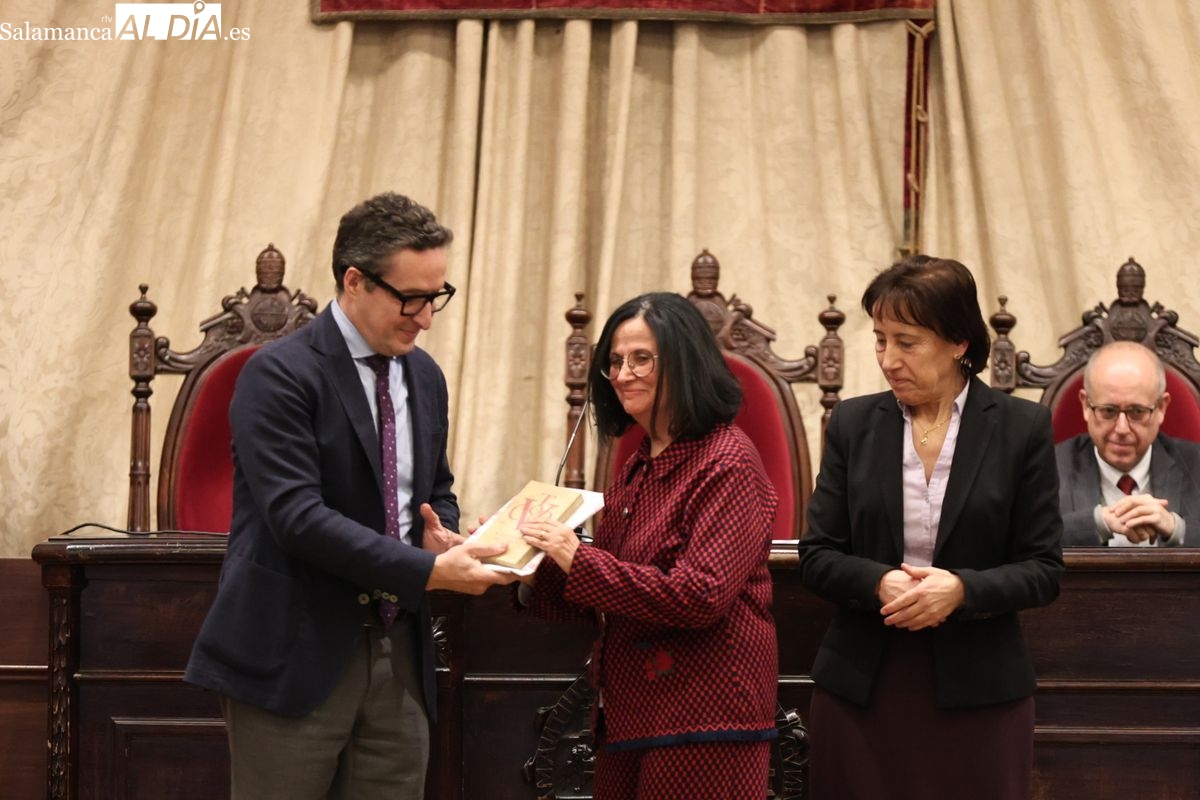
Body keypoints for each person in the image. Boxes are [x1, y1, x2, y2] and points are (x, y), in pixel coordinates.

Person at [185, 191, 514, 799]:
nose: (426, 318)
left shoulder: (425, 376)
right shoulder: (279, 373)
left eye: (436, 296)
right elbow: (297, 518)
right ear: (355, 281)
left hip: (400, 657)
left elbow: (433, 488)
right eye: (410, 298)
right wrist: (427, 571)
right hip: (294, 652)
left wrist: (438, 532)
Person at [797, 255, 1064, 800]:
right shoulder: (852, 423)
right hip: (862, 684)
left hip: (981, 690)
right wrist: (878, 582)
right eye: (880, 340)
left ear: (959, 342)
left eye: (907, 342)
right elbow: (818, 554)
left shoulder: (1021, 428)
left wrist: (962, 590)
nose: (888, 359)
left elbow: (1043, 569)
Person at [517, 292, 779, 799]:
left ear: (684, 364)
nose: (622, 374)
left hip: (707, 717)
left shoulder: (727, 460)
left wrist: (576, 557)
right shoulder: (638, 465)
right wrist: (525, 563)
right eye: (615, 361)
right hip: (630, 711)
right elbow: (608, 592)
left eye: (641, 358)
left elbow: (700, 595)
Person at [1057, 340, 1200, 546]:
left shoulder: (1196, 464)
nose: (1122, 429)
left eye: (1137, 412)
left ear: (1161, 408)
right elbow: (1022, 544)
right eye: (1108, 411)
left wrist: (1176, 529)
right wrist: (1097, 523)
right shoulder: (1047, 468)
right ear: (1086, 406)